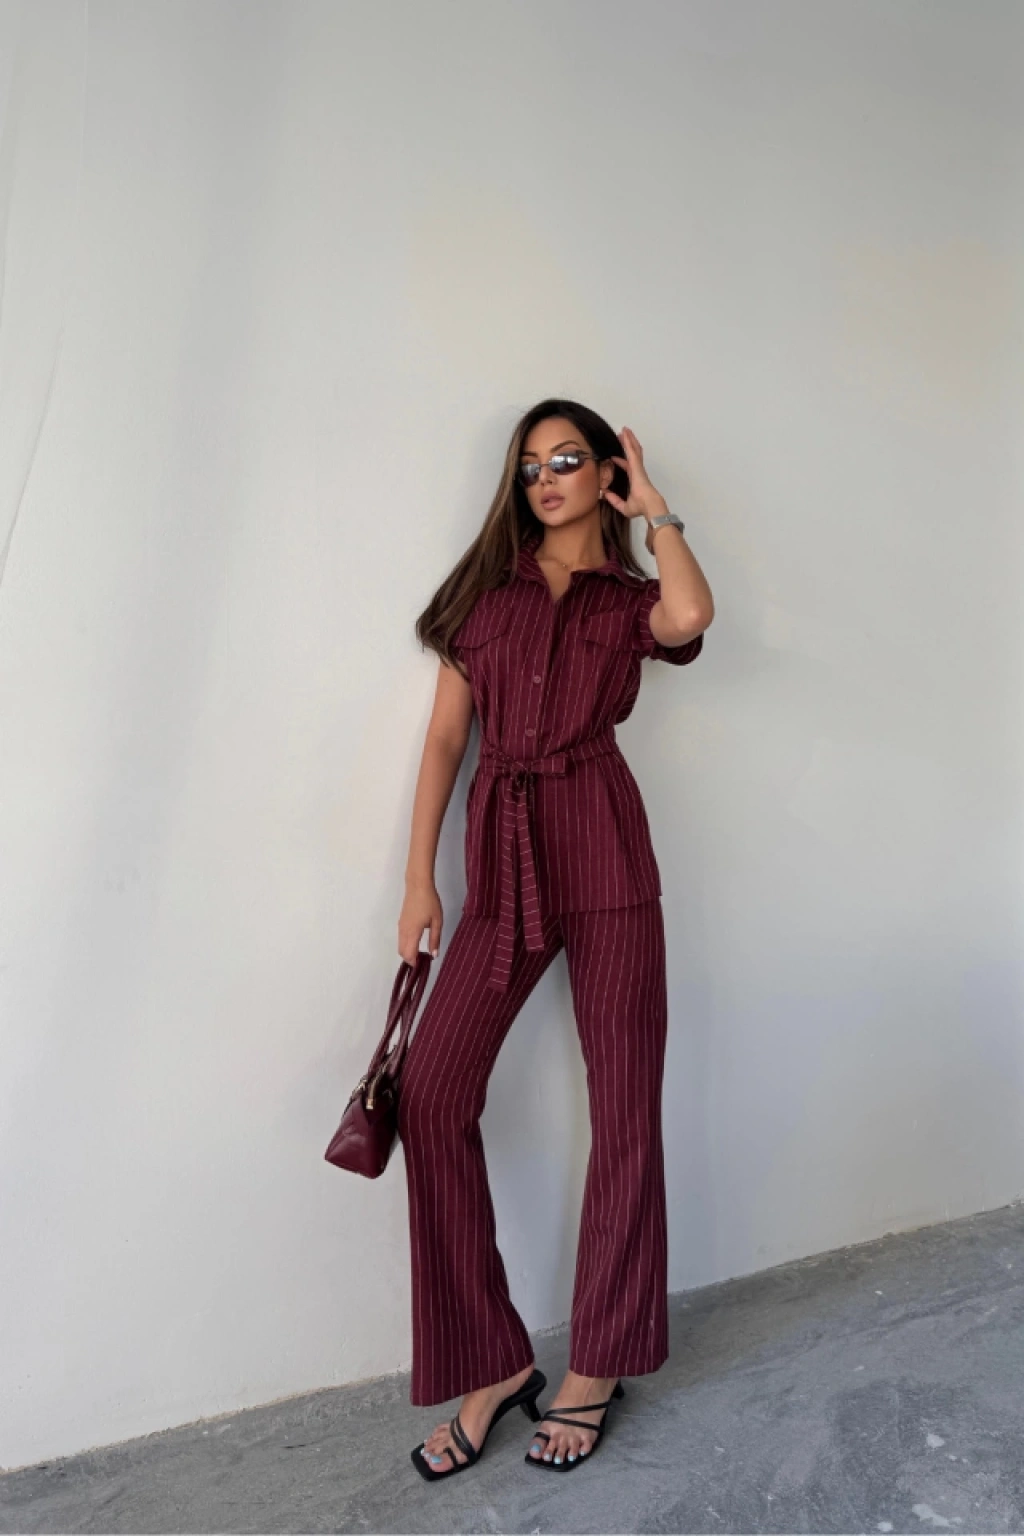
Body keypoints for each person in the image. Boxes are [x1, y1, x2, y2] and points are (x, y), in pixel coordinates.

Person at [396, 397, 714, 1479]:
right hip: (503, 864)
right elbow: (447, 739)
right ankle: (493, 1363)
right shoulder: (483, 598)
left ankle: (599, 1365)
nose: (547, 478)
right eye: (531, 464)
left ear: (604, 474)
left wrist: (656, 509)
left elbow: (690, 613)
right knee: (432, 1094)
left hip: (607, 854)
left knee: (625, 1108)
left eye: (568, 459)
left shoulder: (630, 600)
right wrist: (419, 880)